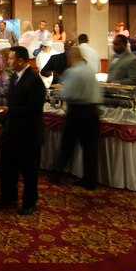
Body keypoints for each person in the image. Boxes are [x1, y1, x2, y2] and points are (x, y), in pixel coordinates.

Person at [0, 46, 46, 216]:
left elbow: (34, 109)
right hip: (12, 129)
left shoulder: (34, 80)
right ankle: (8, 197)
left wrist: (10, 111)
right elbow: (11, 102)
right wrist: (2, 121)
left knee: (29, 169)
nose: (8, 61)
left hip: (28, 132)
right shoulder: (16, 77)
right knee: (7, 166)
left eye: (10, 58)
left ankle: (30, 203)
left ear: (20, 61)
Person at [51, 47, 103, 190]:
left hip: (77, 111)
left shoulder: (72, 72)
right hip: (92, 111)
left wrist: (60, 92)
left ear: (71, 58)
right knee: (90, 148)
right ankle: (90, 180)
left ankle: (56, 174)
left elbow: (66, 94)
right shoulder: (90, 71)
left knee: (67, 145)